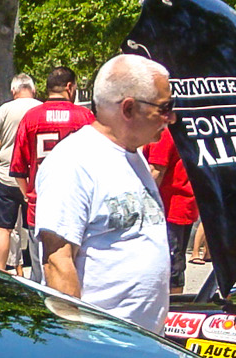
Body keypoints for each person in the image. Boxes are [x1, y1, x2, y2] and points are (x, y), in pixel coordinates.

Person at [33, 54, 172, 333]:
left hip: (144, 347)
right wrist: (79, 347)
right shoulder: (73, 162)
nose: (172, 117)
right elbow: (57, 264)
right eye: (165, 107)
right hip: (102, 350)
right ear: (129, 109)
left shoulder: (133, 156)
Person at [12, 67, 93, 280]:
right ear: (69, 87)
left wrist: (29, 195)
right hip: (79, 204)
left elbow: (18, 169)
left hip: (41, 206)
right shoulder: (85, 117)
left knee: (41, 275)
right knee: (77, 273)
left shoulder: (31, 118)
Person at [0, 73, 39, 274]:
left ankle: (0, 272)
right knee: (36, 228)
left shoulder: (6, 109)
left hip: (6, 174)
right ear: (33, 89)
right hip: (33, 177)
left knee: (3, 228)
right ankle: (40, 273)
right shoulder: (40, 108)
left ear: (13, 91)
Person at [143, 125, 196, 295]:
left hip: (169, 208)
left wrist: (139, 207)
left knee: (171, 266)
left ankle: (173, 311)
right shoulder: (184, 128)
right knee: (174, 263)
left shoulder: (165, 132)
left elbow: (155, 172)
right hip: (180, 204)